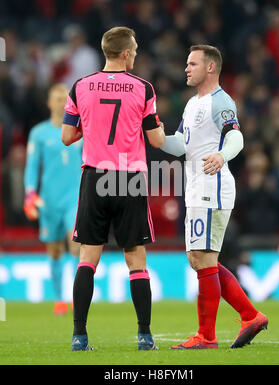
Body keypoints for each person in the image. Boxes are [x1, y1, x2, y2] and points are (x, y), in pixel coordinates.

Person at [62, 26, 165, 351]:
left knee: (87, 259)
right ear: (125, 53)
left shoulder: (80, 86)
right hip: (128, 178)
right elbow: (155, 139)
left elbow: (67, 136)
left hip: (95, 177)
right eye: (133, 49)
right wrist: (160, 129)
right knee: (136, 260)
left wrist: (88, 131)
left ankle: (79, 337)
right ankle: (145, 337)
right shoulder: (143, 88)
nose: (135, 53)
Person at [160, 45, 268, 349]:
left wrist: (222, 155)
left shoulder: (220, 101)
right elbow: (180, 145)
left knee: (204, 259)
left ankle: (207, 335)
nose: (186, 68)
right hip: (196, 189)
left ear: (210, 67)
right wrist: (153, 135)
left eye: (192, 63)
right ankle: (250, 316)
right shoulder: (193, 104)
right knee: (200, 259)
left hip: (212, 188)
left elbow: (236, 135)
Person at [24, 83, 82, 315]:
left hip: (74, 197)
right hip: (48, 200)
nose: (61, 102)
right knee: (55, 250)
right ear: (49, 103)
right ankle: (60, 298)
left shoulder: (80, 130)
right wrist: (30, 193)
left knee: (76, 243)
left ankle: (79, 294)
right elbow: (31, 166)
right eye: (57, 98)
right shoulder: (39, 133)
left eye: (64, 98)